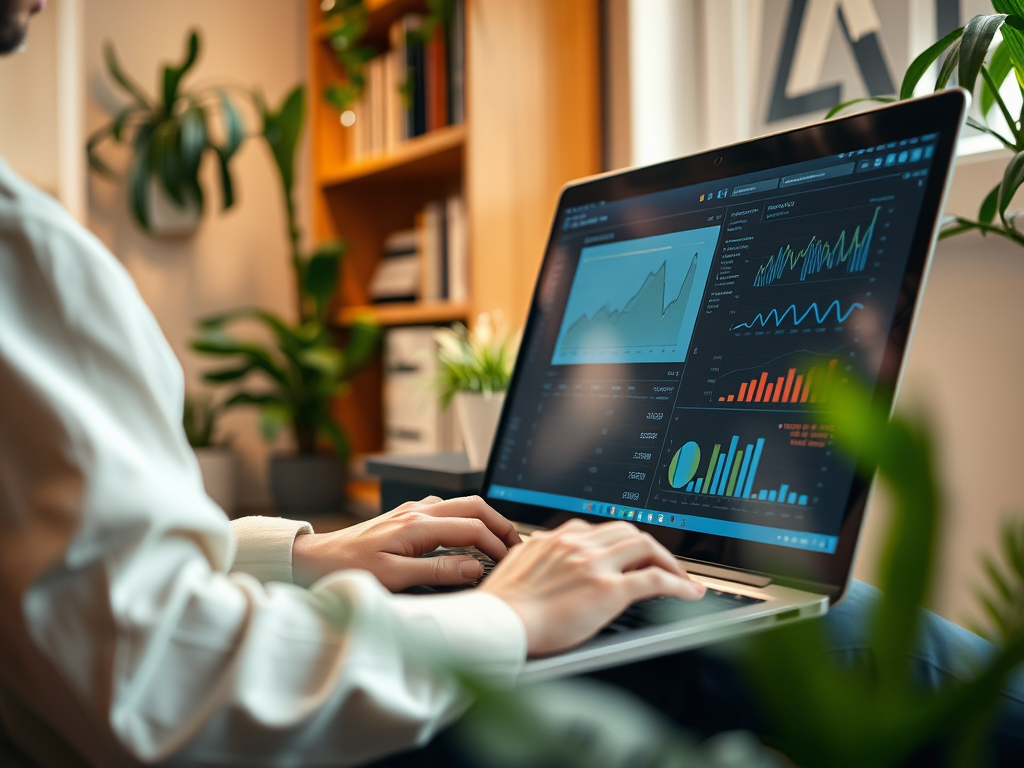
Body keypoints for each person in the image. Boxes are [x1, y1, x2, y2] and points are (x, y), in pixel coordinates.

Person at [0, 3, 1020, 767]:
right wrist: (510, 617)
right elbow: (155, 680)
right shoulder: (19, 246)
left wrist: (304, 555)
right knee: (923, 674)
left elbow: (59, 573)